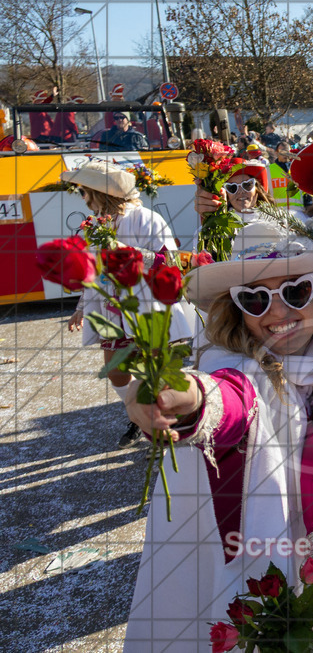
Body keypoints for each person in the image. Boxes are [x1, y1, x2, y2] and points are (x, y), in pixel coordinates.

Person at [123, 219, 313, 651]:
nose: (278, 312)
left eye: (295, 292)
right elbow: (231, 401)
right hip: (243, 563)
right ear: (237, 312)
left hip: (304, 558)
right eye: (255, 300)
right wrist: (191, 397)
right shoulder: (241, 367)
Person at [63, 159, 198, 445]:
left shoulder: (146, 218)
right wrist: (80, 308)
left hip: (148, 307)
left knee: (156, 371)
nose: (83, 199)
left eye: (84, 192)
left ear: (101, 193)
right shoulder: (98, 224)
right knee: (116, 373)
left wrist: (126, 251)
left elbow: (171, 262)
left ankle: (169, 425)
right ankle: (138, 414)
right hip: (112, 310)